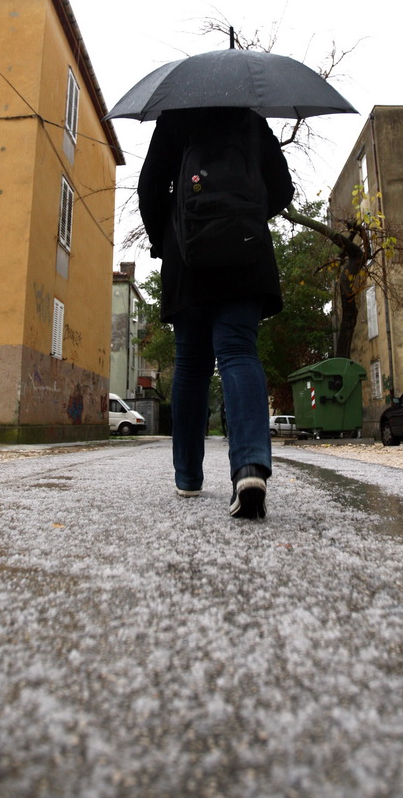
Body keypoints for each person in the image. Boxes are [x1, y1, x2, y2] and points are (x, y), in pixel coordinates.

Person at [138, 107, 293, 519]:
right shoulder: (251, 119)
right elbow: (282, 188)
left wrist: (165, 238)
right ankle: (249, 467)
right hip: (245, 252)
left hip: (187, 257)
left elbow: (150, 186)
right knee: (239, 352)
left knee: (191, 364)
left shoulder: (175, 120)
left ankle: (188, 476)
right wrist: (245, 214)